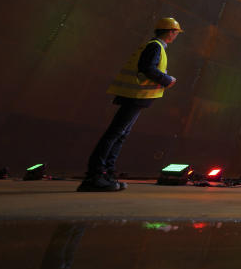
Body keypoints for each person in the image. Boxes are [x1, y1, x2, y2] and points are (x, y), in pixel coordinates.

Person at [77, 18, 182, 192]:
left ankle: (107, 175)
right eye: (176, 32)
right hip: (135, 96)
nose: (176, 35)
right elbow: (147, 68)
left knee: (120, 135)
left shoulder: (156, 46)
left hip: (137, 97)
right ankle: (95, 175)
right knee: (115, 134)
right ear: (171, 32)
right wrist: (167, 80)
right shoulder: (155, 46)